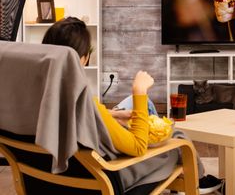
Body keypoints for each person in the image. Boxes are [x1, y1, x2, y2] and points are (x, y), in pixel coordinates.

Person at [42, 17, 223, 193]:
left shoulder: (41, 96)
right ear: (81, 58)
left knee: (141, 108)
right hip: (110, 175)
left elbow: (86, 116)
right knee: (178, 139)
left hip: (61, 176)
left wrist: (113, 115)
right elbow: (138, 148)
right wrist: (139, 91)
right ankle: (197, 181)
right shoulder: (83, 100)